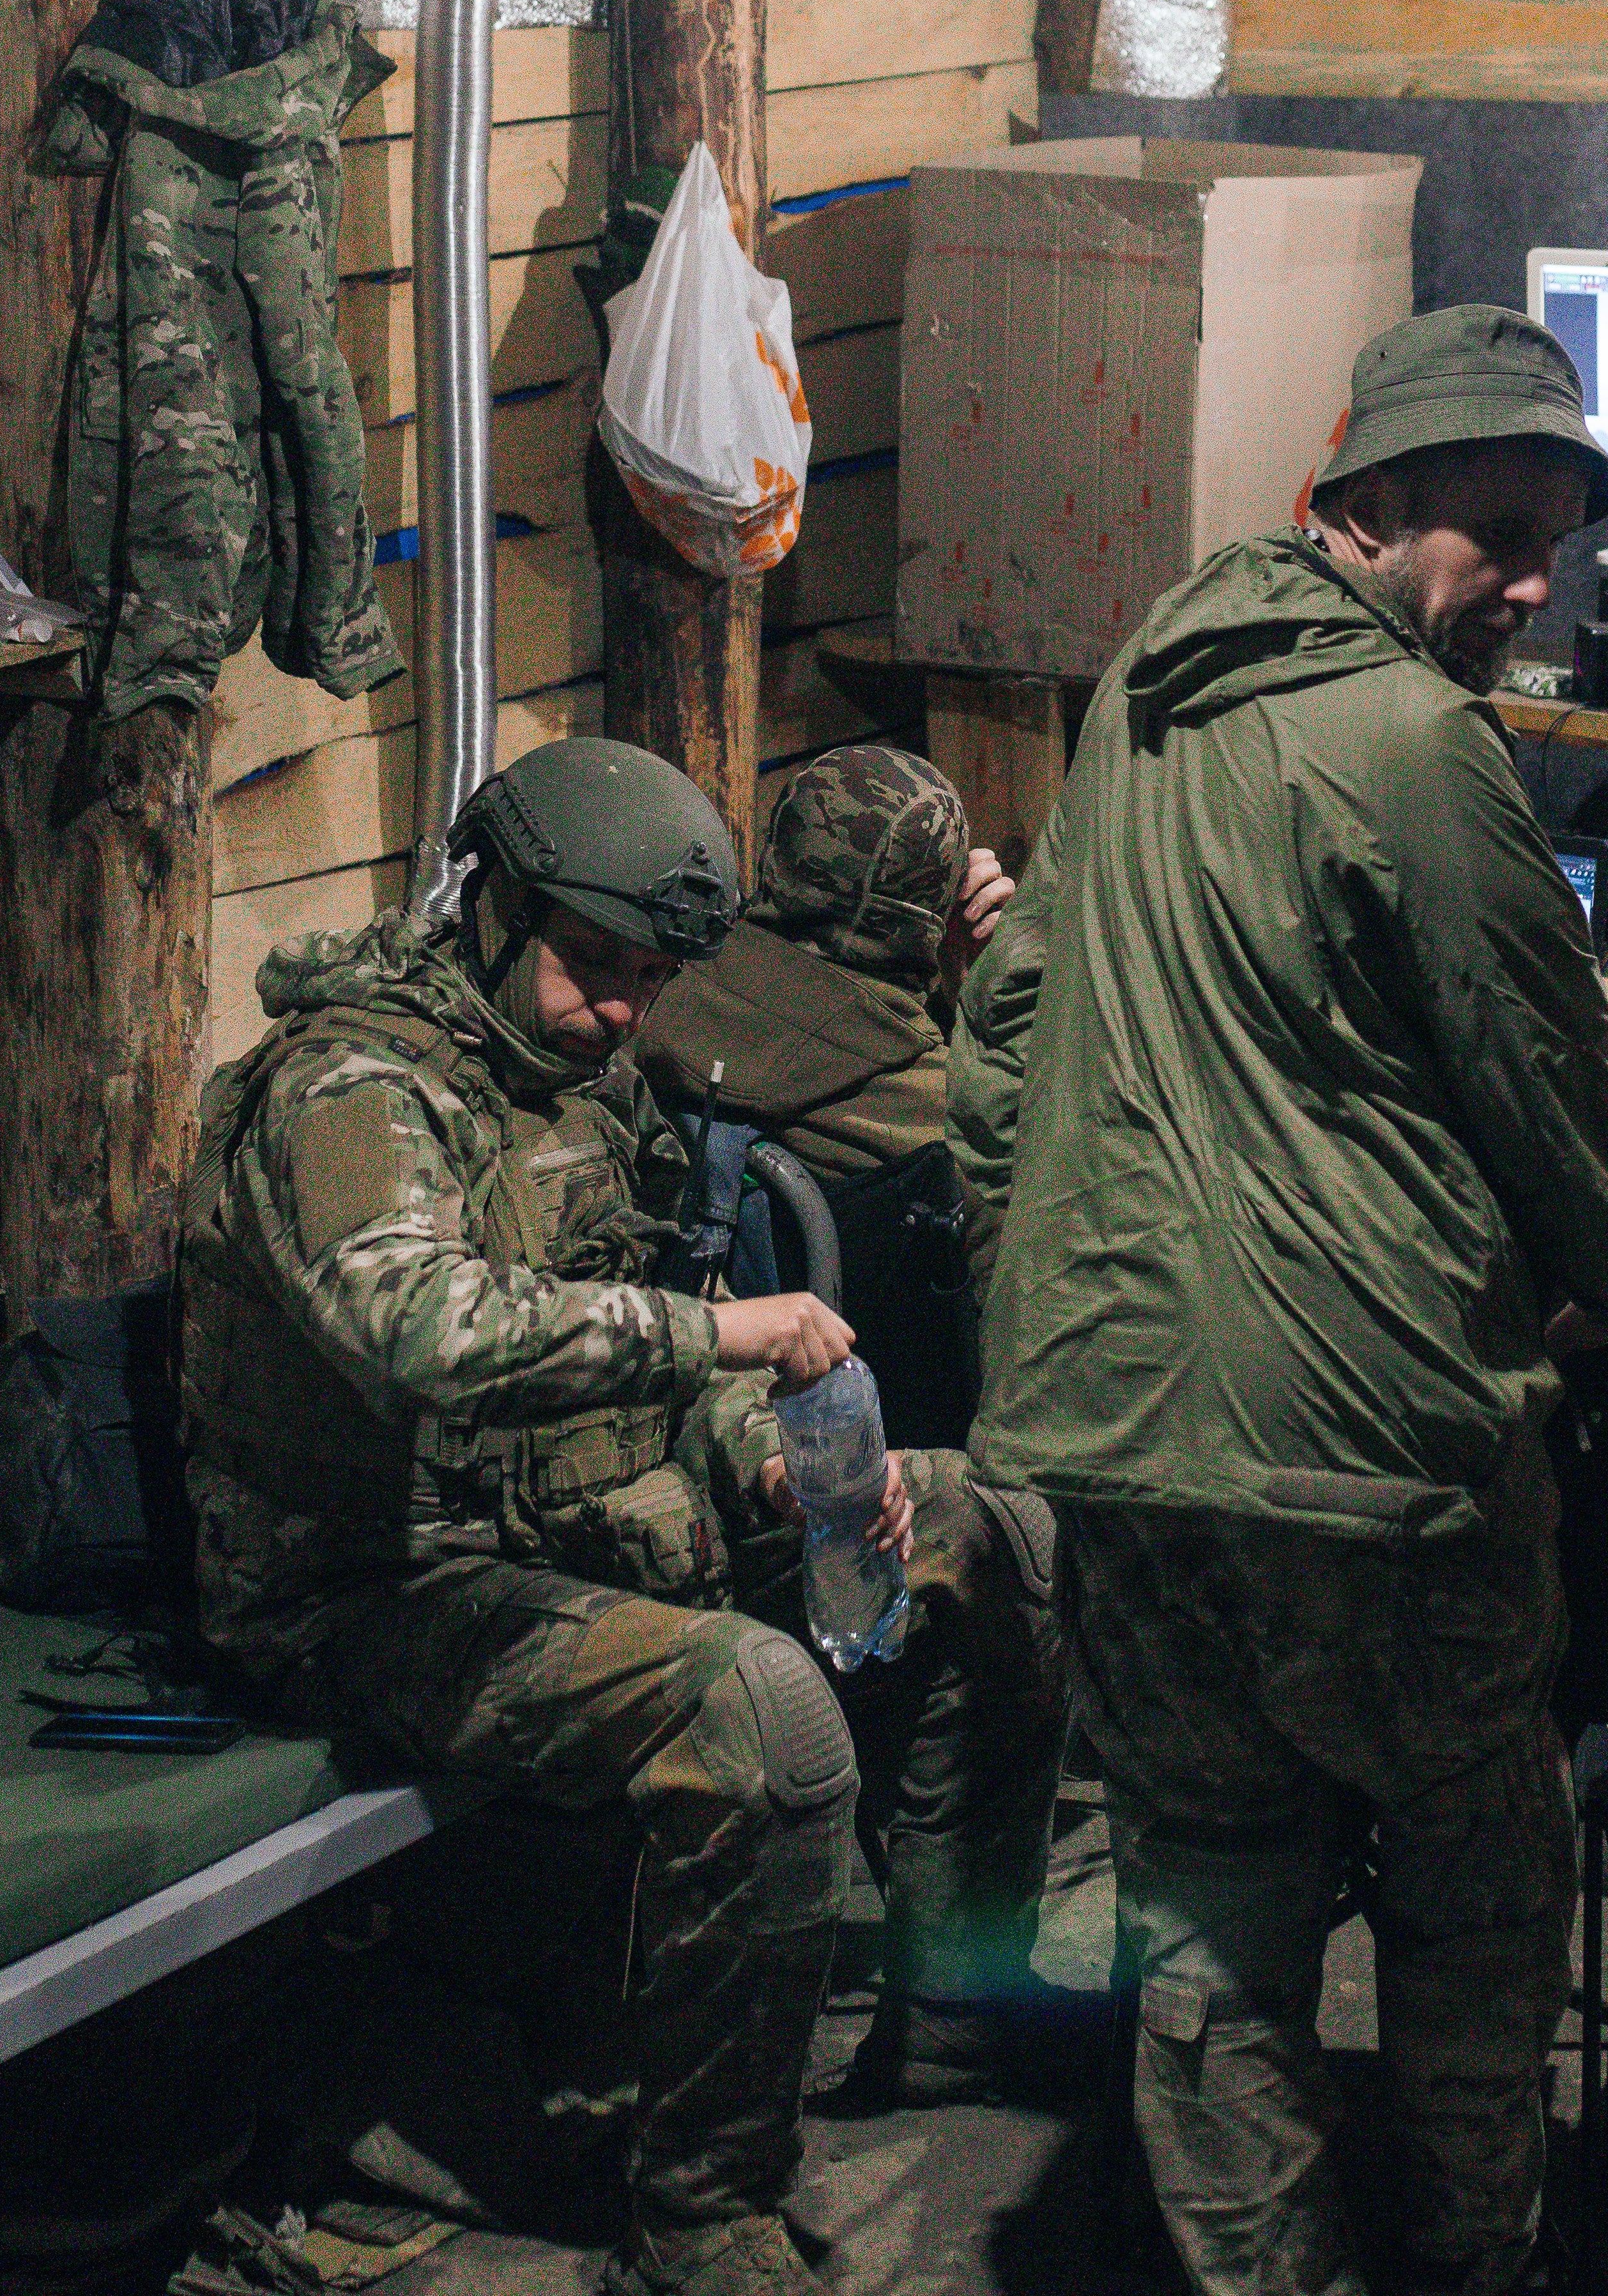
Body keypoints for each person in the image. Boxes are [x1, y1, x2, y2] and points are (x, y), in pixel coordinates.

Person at [956, 304, 1608, 2296]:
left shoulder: (1150, 684)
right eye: (1495, 537)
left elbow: (1007, 1034)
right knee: (1472, 1887)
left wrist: (1033, 1293)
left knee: (1205, 1899)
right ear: (1358, 511)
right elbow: (1545, 1082)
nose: (1533, 591)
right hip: (1371, 1464)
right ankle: (1473, 2263)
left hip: (1120, 1433)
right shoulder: (1420, 744)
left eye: (1559, 542)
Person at [175, 736, 1053, 2296]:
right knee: (767, 1713)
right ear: (492, 907)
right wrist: (725, 1349)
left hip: (567, 1529)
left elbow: (661, 1302)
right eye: (593, 963)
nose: (623, 1008)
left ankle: (953, 2000)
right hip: (375, 1591)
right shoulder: (349, 1088)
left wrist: (762, 1456)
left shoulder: (578, 1082)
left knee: (986, 1525)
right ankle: (703, 2209)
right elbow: (422, 1327)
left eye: (653, 975)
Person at [631, 741, 1015, 1449]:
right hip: (893, 1453)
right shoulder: (927, 1098)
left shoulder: (654, 996)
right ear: (926, 909)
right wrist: (983, 980)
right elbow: (1042, 1159)